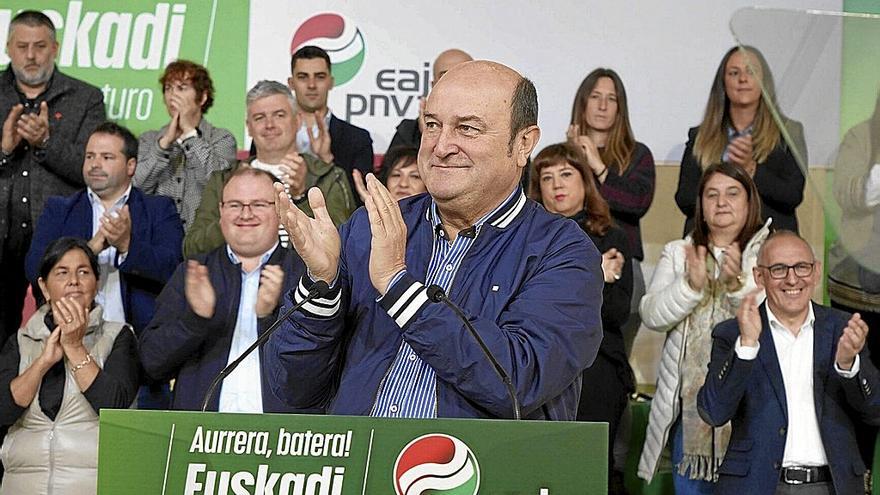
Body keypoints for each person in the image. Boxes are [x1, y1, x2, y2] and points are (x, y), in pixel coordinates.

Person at [265, 60, 603, 420]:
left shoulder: (563, 250)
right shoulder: (369, 228)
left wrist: (398, 287)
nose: (441, 146)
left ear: (523, 143)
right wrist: (320, 289)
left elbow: (518, 381)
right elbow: (293, 387)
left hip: (478, 473)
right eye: (432, 125)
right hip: (357, 468)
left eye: (467, 129)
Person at [698, 230, 880, 495]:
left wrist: (849, 366)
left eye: (802, 267)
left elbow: (874, 410)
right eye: (779, 269)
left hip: (832, 486)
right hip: (757, 487)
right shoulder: (733, 333)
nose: (792, 278)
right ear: (759, 276)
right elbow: (713, 412)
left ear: (816, 271)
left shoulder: (843, 328)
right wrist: (747, 347)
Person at [638, 163, 771, 493]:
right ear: (701, 205)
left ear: (749, 201)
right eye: (712, 195)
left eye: (732, 193)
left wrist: (737, 283)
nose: (721, 202)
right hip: (692, 409)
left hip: (751, 407)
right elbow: (652, 315)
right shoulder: (678, 252)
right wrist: (690, 287)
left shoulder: (768, 253)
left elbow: (775, 321)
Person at [140, 167, 307, 412]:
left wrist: (270, 319)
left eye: (259, 204)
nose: (246, 214)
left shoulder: (304, 274)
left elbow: (320, 367)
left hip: (282, 436)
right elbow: (151, 363)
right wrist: (195, 321)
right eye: (235, 205)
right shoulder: (194, 272)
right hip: (201, 437)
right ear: (220, 211)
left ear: (280, 211)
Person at [529, 142, 633, 492]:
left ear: (585, 182)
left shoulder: (611, 237)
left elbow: (617, 313)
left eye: (566, 174)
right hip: (535, 365)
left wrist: (586, 281)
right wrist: (593, 276)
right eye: (547, 177)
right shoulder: (524, 238)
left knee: (591, 472)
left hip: (597, 368)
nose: (557, 184)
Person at [0, 237, 139, 495]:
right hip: (22, 485)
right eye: (61, 273)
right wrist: (41, 363)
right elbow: (4, 412)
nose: (73, 281)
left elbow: (116, 407)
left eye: (83, 272)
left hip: (92, 484)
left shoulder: (119, 336)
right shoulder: (21, 340)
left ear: (96, 283)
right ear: (44, 286)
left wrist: (75, 348)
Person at [0, 10, 105, 343]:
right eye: (22, 46)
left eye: (40, 46)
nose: (31, 56)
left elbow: (94, 172)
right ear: (7, 48)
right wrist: (4, 150)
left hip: (59, 240)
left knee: (63, 332)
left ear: (55, 48)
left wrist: (46, 143)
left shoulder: (86, 98)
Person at [25, 122, 183, 334]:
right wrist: (88, 250)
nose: (94, 164)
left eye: (106, 157)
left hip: (139, 339)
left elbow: (174, 270)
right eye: (90, 156)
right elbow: (34, 269)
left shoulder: (158, 209)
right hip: (69, 333)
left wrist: (127, 246)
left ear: (131, 166)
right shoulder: (59, 209)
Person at [183, 81, 355, 257]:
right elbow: (192, 248)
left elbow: (342, 248)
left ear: (297, 121)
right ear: (249, 127)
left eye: (279, 115)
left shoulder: (329, 177)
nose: (269, 124)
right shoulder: (224, 180)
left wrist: (301, 197)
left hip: (305, 282)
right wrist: (233, 213)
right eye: (259, 118)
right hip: (235, 280)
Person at [567, 67, 656, 357]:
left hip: (622, 265)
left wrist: (598, 166)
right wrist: (576, 157)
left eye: (612, 98)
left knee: (616, 354)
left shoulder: (637, 154)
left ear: (621, 108)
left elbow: (637, 202)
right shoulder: (564, 155)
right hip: (571, 262)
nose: (603, 106)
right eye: (595, 96)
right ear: (583, 102)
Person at [675, 46, 806, 236]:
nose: (743, 79)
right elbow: (684, 198)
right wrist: (717, 191)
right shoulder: (700, 136)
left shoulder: (789, 133)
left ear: (765, 81)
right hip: (710, 243)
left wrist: (752, 169)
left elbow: (792, 195)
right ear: (723, 82)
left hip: (769, 241)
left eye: (751, 72)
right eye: (734, 73)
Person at [133, 59, 237, 231]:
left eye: (181, 88)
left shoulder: (221, 138)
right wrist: (164, 145)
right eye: (168, 88)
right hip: (157, 239)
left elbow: (220, 186)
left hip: (205, 241)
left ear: (202, 97)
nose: (173, 95)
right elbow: (137, 187)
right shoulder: (149, 140)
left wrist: (190, 134)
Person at [287, 45, 373, 203]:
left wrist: (326, 159)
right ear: (291, 83)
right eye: (303, 77)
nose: (311, 85)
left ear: (331, 82)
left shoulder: (357, 139)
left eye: (319, 77)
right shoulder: (270, 134)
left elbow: (358, 201)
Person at [386, 49, 473, 151]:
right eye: (445, 76)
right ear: (433, 86)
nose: (454, 83)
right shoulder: (409, 131)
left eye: (462, 76)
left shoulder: (491, 128)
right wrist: (428, 137)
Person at [353, 145, 425, 202]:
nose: (403, 184)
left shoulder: (432, 218)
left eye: (415, 176)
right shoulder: (363, 217)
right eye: (396, 175)